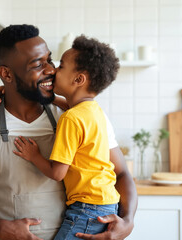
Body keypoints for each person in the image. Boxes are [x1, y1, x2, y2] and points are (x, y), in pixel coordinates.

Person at [0, 24, 137, 240]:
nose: (51, 70)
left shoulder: (80, 116)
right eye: (37, 65)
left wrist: (127, 221)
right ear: (7, 74)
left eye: (50, 60)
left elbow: (121, 174)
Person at [13, 35, 121, 239]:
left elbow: (57, 173)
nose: (54, 70)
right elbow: (71, 106)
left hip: (87, 208)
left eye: (61, 66)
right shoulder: (93, 110)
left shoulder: (71, 118)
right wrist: (49, 97)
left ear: (78, 79)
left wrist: (33, 155)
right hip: (105, 203)